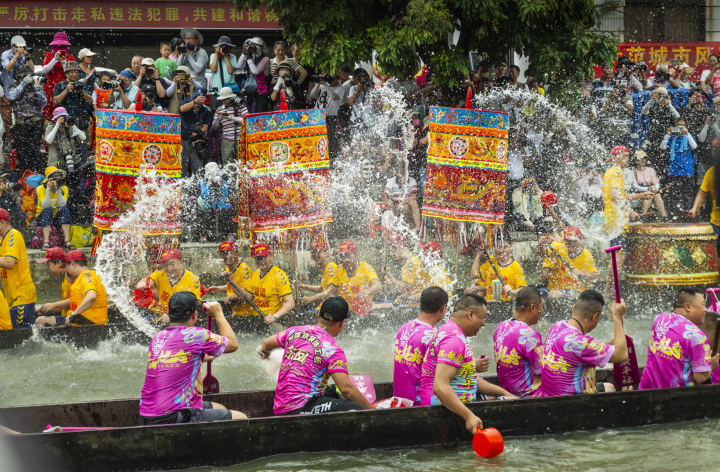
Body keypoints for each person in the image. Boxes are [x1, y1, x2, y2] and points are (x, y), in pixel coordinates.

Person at [139, 292, 246, 425]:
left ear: (168, 313)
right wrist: (218, 314)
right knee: (241, 418)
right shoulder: (197, 335)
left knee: (220, 408)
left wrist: (203, 357)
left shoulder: (158, 337)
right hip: (172, 415)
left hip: (146, 414)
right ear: (195, 315)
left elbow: (178, 358)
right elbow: (233, 344)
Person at [258, 297, 375, 415]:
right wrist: (373, 410)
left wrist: (264, 352)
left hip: (280, 406)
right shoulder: (333, 350)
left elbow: (267, 343)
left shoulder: (294, 331)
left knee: (334, 390)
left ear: (319, 315)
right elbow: (346, 389)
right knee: (355, 407)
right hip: (299, 409)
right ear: (342, 323)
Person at [420, 294, 514, 433]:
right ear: (470, 315)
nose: (484, 323)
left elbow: (468, 376)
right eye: (483, 317)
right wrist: (469, 416)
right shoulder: (454, 340)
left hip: (458, 401)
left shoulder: (450, 330)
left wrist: (505, 393)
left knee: (506, 398)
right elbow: (440, 386)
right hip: (444, 410)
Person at [536, 290, 628, 396]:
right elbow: (622, 355)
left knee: (609, 387)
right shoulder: (580, 342)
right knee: (618, 390)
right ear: (595, 317)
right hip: (571, 402)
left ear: (573, 308)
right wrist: (617, 317)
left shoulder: (557, 326)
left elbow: (578, 351)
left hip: (550, 395)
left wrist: (609, 344)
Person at [639, 288, 719, 390]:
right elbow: (700, 378)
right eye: (703, 305)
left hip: (646, 390)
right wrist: (712, 366)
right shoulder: (698, 337)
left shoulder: (659, 319)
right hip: (676, 395)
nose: (706, 310)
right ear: (688, 307)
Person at [603, 145, 654, 295]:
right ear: (616, 158)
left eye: (628, 156)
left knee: (616, 256)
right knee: (619, 257)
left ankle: (609, 291)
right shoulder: (616, 172)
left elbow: (620, 196)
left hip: (613, 219)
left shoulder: (612, 171)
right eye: (624, 156)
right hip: (617, 221)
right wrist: (629, 211)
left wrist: (640, 196)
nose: (628, 159)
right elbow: (615, 196)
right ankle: (614, 292)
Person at [393, 286, 449, 403]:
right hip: (419, 403)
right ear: (443, 308)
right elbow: (444, 373)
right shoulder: (433, 337)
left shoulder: (404, 328)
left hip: (399, 400)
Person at [493, 286, 544, 397]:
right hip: (530, 395)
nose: (542, 311)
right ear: (532, 307)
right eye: (542, 306)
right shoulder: (531, 335)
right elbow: (543, 370)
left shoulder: (501, 327)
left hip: (508, 391)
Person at [34, 250, 107, 326]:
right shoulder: (89, 276)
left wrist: (73, 315)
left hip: (88, 322)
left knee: (40, 321)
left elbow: (91, 296)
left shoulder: (86, 277)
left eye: (66, 267)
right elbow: (79, 298)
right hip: (86, 320)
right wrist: (72, 283)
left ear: (73, 264)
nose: (66, 270)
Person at [136, 248, 202, 320]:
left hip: (178, 318)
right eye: (165, 265)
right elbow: (147, 280)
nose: (169, 268)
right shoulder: (161, 274)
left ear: (181, 263)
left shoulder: (192, 279)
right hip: (156, 314)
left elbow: (193, 306)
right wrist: (142, 283)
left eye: (172, 264)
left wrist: (171, 316)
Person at [5, 64, 47, 173]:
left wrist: (38, 90)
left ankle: (37, 173)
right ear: (17, 77)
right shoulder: (13, 85)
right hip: (20, 123)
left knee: (34, 149)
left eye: (27, 75)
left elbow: (44, 103)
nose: (25, 77)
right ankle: (24, 174)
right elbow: (12, 96)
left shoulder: (37, 84)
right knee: (21, 150)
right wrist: (23, 83)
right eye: (22, 76)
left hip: (36, 122)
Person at [0, 208, 36, 328]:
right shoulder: (2, 239)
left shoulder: (13, 235)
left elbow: (9, 262)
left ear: (1, 223)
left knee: (20, 337)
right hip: (13, 300)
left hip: (22, 298)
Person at [243, 242, 295, 325]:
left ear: (271, 255)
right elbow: (248, 297)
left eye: (264, 257)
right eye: (258, 258)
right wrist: (231, 282)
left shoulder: (279, 275)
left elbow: (291, 303)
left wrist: (275, 316)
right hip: (257, 318)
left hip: (273, 320)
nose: (261, 261)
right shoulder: (256, 274)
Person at [540, 226, 598, 298]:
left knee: (553, 294)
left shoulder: (586, 255)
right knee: (532, 294)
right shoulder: (559, 247)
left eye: (573, 241)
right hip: (558, 289)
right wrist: (540, 244)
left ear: (580, 240)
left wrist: (581, 274)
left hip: (578, 291)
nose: (571, 244)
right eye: (568, 241)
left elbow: (595, 277)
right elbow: (541, 254)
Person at [689, 138, 720, 270]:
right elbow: (702, 194)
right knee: (715, 256)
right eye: (714, 150)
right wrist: (694, 208)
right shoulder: (710, 172)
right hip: (716, 223)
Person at [1, 35, 35, 146]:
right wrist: (17, 55)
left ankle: (22, 143)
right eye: (19, 47)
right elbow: (8, 68)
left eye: (23, 47)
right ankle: (11, 143)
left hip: (20, 91)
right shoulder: (6, 54)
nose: (22, 49)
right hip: (7, 92)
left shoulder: (23, 55)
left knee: (22, 119)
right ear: (12, 46)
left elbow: (32, 69)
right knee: (7, 120)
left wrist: (28, 57)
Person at [660, 117, 698, 214]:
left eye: (682, 125)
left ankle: (688, 211)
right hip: (674, 167)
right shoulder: (672, 136)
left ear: (685, 127)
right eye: (678, 125)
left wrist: (687, 133)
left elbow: (694, 147)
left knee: (687, 191)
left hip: (687, 168)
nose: (680, 127)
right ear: (675, 126)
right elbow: (662, 147)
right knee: (673, 191)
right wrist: (668, 134)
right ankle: (674, 212)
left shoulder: (689, 136)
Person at [207, 241, 254, 317]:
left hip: (246, 314)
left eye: (229, 253)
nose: (226, 256)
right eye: (223, 254)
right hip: (235, 312)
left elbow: (249, 296)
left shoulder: (244, 271)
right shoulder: (229, 267)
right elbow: (233, 287)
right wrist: (218, 289)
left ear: (236, 253)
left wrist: (233, 297)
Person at [40, 32, 76, 122]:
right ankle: (49, 127)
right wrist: (55, 60)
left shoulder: (70, 58)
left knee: (63, 110)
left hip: (64, 87)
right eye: (58, 45)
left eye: (63, 46)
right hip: (49, 87)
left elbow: (71, 75)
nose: (60, 48)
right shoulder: (49, 55)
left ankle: (64, 126)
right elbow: (44, 71)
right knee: (48, 110)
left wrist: (63, 63)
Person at [310, 72, 346, 160]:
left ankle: (332, 159)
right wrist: (318, 84)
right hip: (317, 116)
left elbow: (333, 97)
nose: (330, 81)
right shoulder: (323, 84)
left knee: (330, 139)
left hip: (330, 117)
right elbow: (312, 95)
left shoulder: (340, 87)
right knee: (316, 138)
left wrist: (325, 85)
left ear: (337, 79)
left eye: (332, 79)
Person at [336, 240, 383, 307]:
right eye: (341, 256)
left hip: (361, 310)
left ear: (355, 255)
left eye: (347, 256)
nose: (343, 260)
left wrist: (367, 291)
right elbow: (332, 291)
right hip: (343, 310)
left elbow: (378, 286)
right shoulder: (339, 269)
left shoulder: (365, 268)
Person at [196, 162, 234, 241]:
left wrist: (221, 185)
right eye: (211, 173)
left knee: (226, 212)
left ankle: (229, 234)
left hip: (222, 207)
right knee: (204, 213)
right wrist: (209, 184)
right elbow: (204, 196)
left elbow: (225, 196)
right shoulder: (203, 182)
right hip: (210, 207)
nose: (213, 175)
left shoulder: (223, 180)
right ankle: (203, 235)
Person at [35, 166, 72, 250]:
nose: (58, 178)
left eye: (60, 176)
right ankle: (46, 241)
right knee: (48, 210)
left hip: (56, 217)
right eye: (55, 176)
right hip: (42, 217)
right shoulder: (40, 188)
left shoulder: (64, 188)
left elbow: (62, 204)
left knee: (65, 210)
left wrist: (58, 189)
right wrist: (48, 188)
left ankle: (67, 240)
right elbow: (46, 205)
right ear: (49, 178)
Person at [382, 233, 425, 303]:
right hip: (407, 301)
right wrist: (393, 282)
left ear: (398, 247)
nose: (393, 254)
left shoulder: (412, 262)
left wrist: (390, 277)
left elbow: (405, 287)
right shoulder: (408, 262)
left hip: (413, 304)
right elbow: (405, 288)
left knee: (376, 307)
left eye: (393, 250)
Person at [297, 240, 341, 308]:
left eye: (318, 251)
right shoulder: (325, 268)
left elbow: (331, 291)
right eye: (313, 252)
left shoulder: (331, 267)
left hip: (330, 309)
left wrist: (310, 299)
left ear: (327, 252)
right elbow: (321, 290)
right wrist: (302, 285)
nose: (315, 254)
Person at [481, 237, 526, 302]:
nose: (501, 250)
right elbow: (473, 275)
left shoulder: (516, 267)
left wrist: (512, 291)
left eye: (505, 247)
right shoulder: (490, 262)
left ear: (511, 246)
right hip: (489, 303)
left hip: (506, 304)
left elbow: (523, 290)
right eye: (498, 247)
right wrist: (479, 252)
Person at [179, 89, 211, 177]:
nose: (198, 100)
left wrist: (199, 132)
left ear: (204, 100)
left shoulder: (205, 111)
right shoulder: (185, 102)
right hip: (182, 140)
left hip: (196, 141)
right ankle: (181, 183)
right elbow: (182, 109)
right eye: (196, 97)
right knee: (182, 165)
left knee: (197, 168)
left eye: (200, 99)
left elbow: (205, 127)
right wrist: (194, 102)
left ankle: (197, 184)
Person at [34, 247, 73, 319]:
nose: (48, 268)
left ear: (59, 263)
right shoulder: (66, 277)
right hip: (68, 315)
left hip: (72, 318)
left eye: (48, 265)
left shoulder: (71, 278)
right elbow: (66, 306)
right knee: (39, 313)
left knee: (40, 320)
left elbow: (76, 300)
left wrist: (53, 305)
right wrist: (44, 308)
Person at [44, 106, 87, 170]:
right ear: (56, 119)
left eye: (64, 117)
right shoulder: (50, 128)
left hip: (71, 162)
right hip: (55, 163)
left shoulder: (70, 128)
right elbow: (48, 141)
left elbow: (83, 138)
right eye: (60, 117)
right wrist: (57, 125)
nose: (63, 119)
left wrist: (73, 125)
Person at [212, 87, 246, 165]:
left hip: (240, 139)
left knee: (241, 163)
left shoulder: (241, 106)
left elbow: (247, 120)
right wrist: (218, 118)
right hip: (227, 140)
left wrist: (231, 117)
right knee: (227, 164)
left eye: (226, 99)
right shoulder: (219, 109)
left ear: (231, 98)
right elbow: (214, 127)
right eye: (222, 99)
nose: (224, 101)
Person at [383, 161, 421, 231]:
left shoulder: (412, 180)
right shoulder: (391, 181)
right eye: (402, 172)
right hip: (395, 203)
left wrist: (402, 203)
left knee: (413, 202)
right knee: (405, 208)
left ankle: (417, 228)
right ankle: (406, 225)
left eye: (405, 172)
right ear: (397, 173)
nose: (404, 174)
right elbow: (385, 196)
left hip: (405, 202)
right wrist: (390, 202)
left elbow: (413, 196)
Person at [237, 37, 270, 113]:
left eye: (255, 45)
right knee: (250, 111)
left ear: (261, 47)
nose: (253, 48)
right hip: (250, 89)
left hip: (261, 90)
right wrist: (244, 53)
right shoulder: (251, 57)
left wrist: (249, 58)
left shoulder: (265, 59)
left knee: (259, 112)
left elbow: (256, 71)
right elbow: (239, 66)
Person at [632, 150, 667, 218]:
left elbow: (656, 183)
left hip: (651, 191)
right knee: (648, 194)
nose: (643, 160)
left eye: (644, 158)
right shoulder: (632, 172)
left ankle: (664, 216)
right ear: (635, 160)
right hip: (639, 194)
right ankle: (643, 215)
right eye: (640, 158)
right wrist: (647, 189)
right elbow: (634, 186)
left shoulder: (651, 170)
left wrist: (655, 188)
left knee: (656, 194)